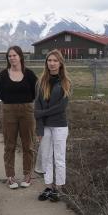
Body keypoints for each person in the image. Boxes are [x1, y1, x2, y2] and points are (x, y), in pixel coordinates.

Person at [0, 45, 37, 189]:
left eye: (14, 55)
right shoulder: (2, 75)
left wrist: (24, 102)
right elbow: (0, 94)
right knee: (9, 145)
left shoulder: (30, 75)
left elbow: (35, 92)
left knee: (28, 145)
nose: (12, 58)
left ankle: (27, 175)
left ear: (20, 56)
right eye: (9, 56)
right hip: (9, 110)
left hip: (27, 110)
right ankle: (10, 177)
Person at [34, 49, 71, 202]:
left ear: (60, 63)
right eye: (49, 60)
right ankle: (49, 187)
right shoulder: (40, 81)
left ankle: (59, 188)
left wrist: (42, 113)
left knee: (59, 158)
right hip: (45, 126)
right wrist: (39, 127)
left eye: (55, 60)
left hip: (60, 126)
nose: (52, 63)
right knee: (46, 157)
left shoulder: (66, 82)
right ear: (46, 63)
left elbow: (61, 107)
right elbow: (37, 105)